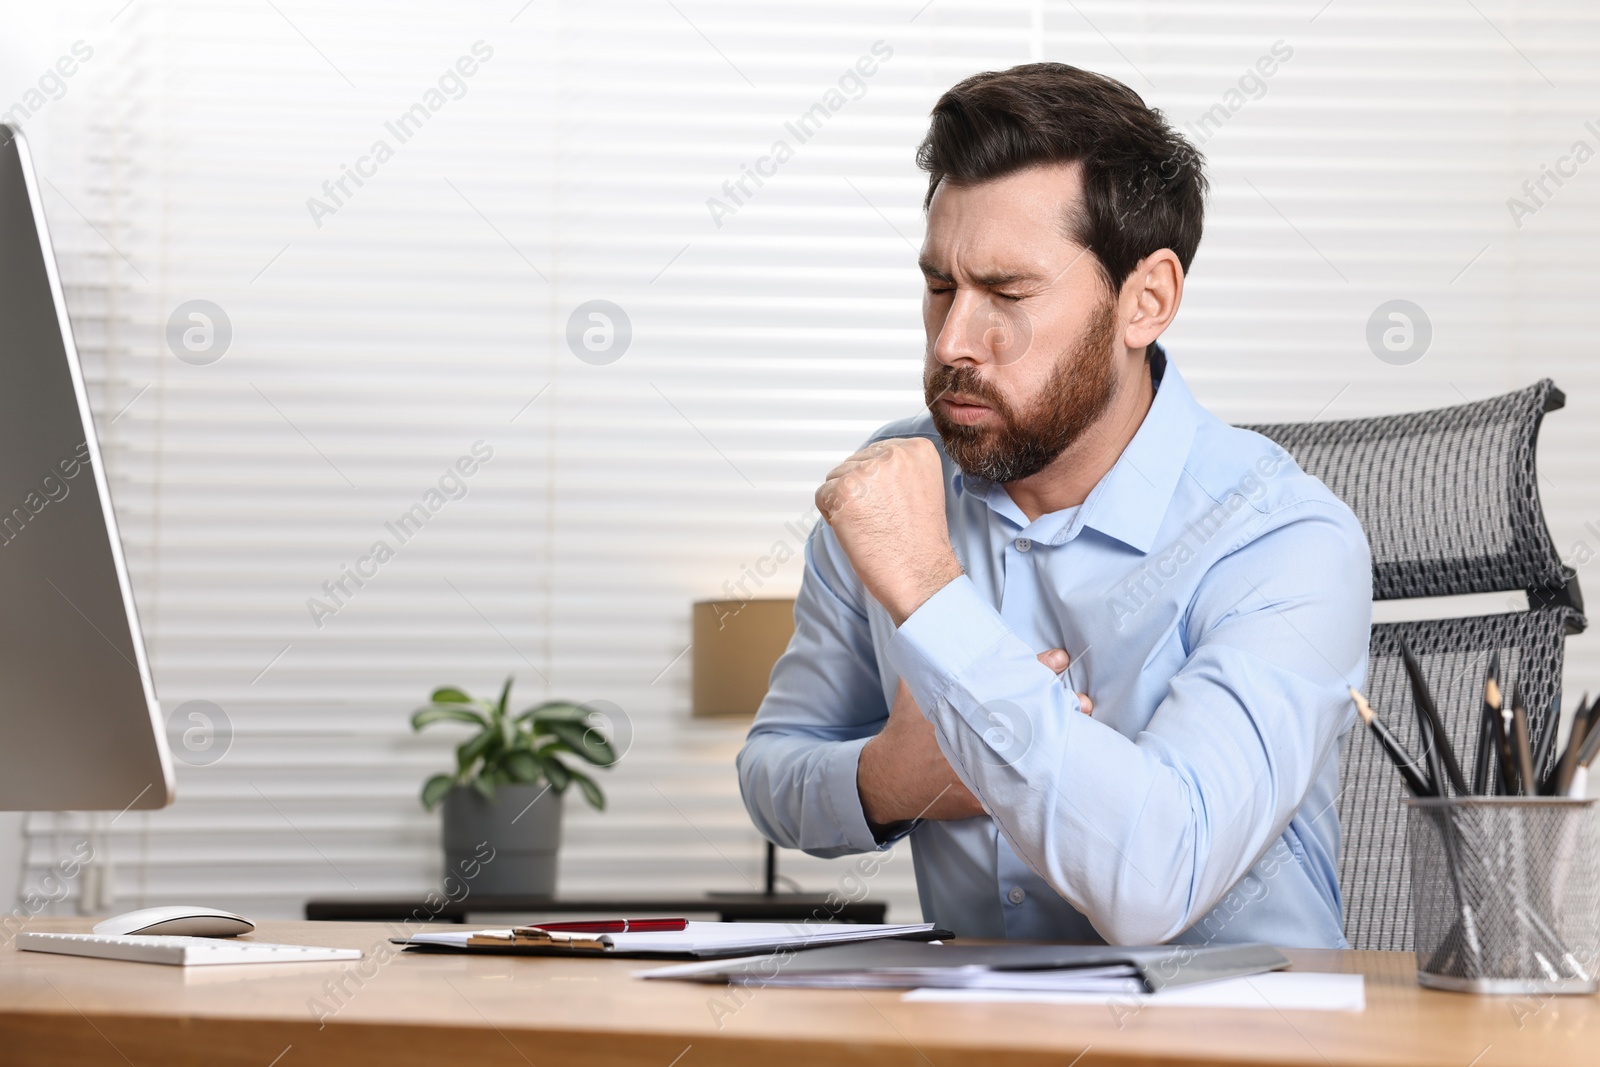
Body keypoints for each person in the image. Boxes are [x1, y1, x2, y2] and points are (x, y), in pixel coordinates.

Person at [736, 62, 1371, 948]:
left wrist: (930, 593)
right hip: (973, 1030)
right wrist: (890, 777)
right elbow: (773, 766)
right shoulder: (897, 482)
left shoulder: (1287, 542)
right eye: (939, 287)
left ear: (1145, 300)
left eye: (1006, 294)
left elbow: (1159, 879)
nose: (954, 340)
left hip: (1230, 1034)